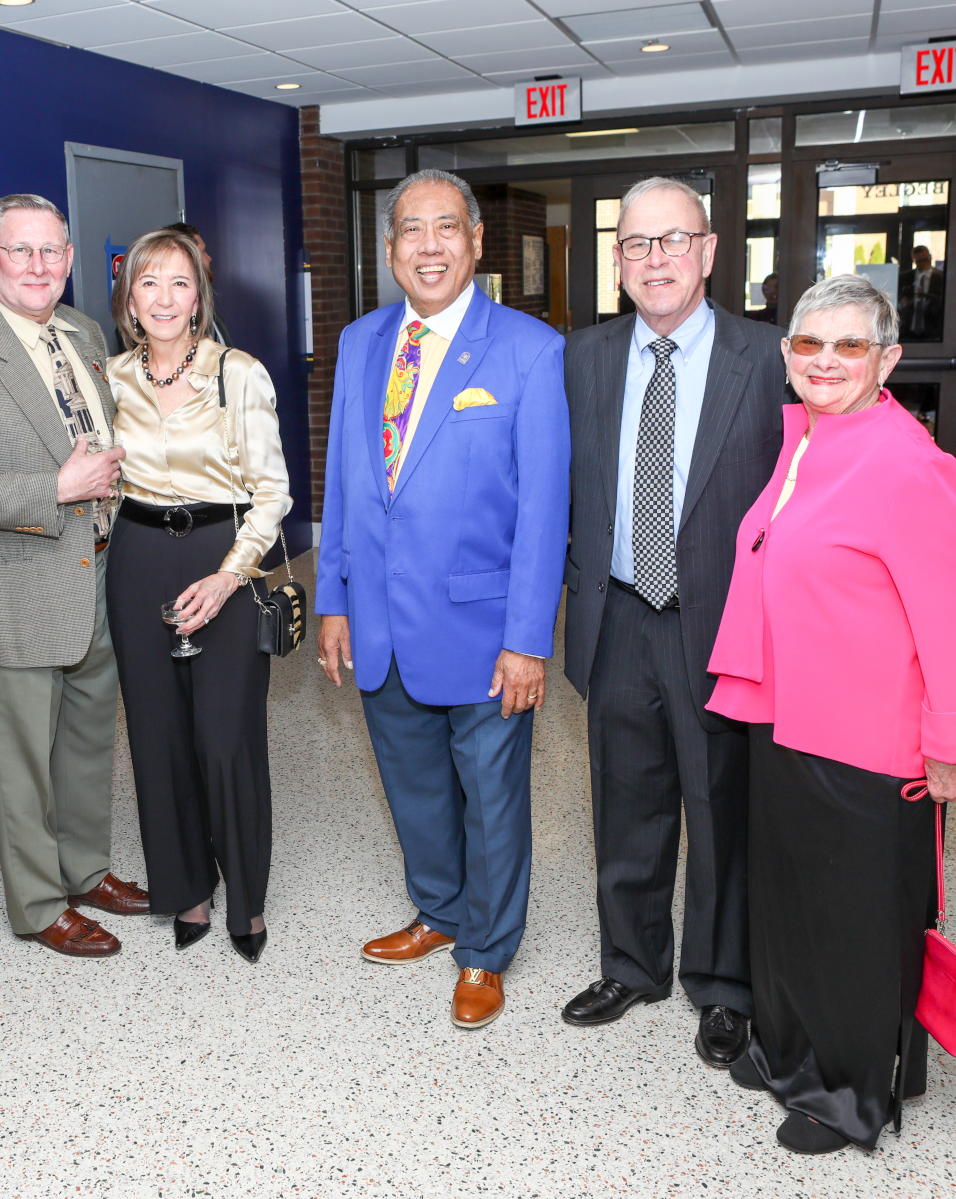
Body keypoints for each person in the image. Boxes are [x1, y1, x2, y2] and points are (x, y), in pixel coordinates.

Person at [705, 273, 956, 1153]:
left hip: (869, 739)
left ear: (889, 360)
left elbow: (952, 617)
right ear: (787, 355)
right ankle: (789, 1047)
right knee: (791, 900)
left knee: (852, 918)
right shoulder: (804, 438)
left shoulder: (911, 463)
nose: (825, 360)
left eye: (849, 345)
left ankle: (847, 1089)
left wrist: (955, 745)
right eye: (808, 344)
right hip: (787, 716)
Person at [316, 168, 569, 1029]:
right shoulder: (360, 342)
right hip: (379, 620)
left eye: (446, 229)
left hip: (484, 625)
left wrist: (529, 639)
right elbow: (346, 482)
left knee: (491, 798)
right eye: (410, 231)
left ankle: (486, 949)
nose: (429, 246)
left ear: (475, 242)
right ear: (389, 251)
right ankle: (438, 909)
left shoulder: (529, 350)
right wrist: (333, 597)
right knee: (414, 785)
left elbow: (543, 511)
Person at [558, 177, 784, 1070]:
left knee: (721, 806)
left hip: (721, 627)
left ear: (711, 251)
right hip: (617, 615)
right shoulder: (583, 355)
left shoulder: (766, 358)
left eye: (674, 240)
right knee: (624, 802)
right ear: (617, 261)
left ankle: (723, 985)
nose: (656, 260)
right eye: (638, 244)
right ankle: (633, 963)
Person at [0, 194, 149, 958]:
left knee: (86, 742)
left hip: (99, 572)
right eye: (22, 251)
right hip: (16, 582)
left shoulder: (81, 332)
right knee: (20, 763)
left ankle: (86, 868)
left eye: (53, 251)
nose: (40, 267)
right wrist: (55, 488)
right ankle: (41, 903)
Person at [103, 228, 291, 962]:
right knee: (157, 736)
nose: (163, 297)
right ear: (128, 296)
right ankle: (185, 887)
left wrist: (229, 572)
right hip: (139, 556)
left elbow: (272, 493)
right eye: (148, 282)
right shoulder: (109, 378)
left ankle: (245, 897)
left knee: (224, 737)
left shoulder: (237, 372)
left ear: (199, 296)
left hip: (224, 555)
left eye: (179, 282)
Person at [163, 221, 232, 345]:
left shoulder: (206, 308)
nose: (209, 258)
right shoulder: (162, 314)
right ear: (188, 254)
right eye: (203, 251)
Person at [900, 246, 944, 340]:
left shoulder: (941, 277)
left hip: (933, 331)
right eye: (919, 261)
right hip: (908, 330)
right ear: (914, 261)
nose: (923, 263)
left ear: (930, 258)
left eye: (926, 259)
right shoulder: (905, 278)